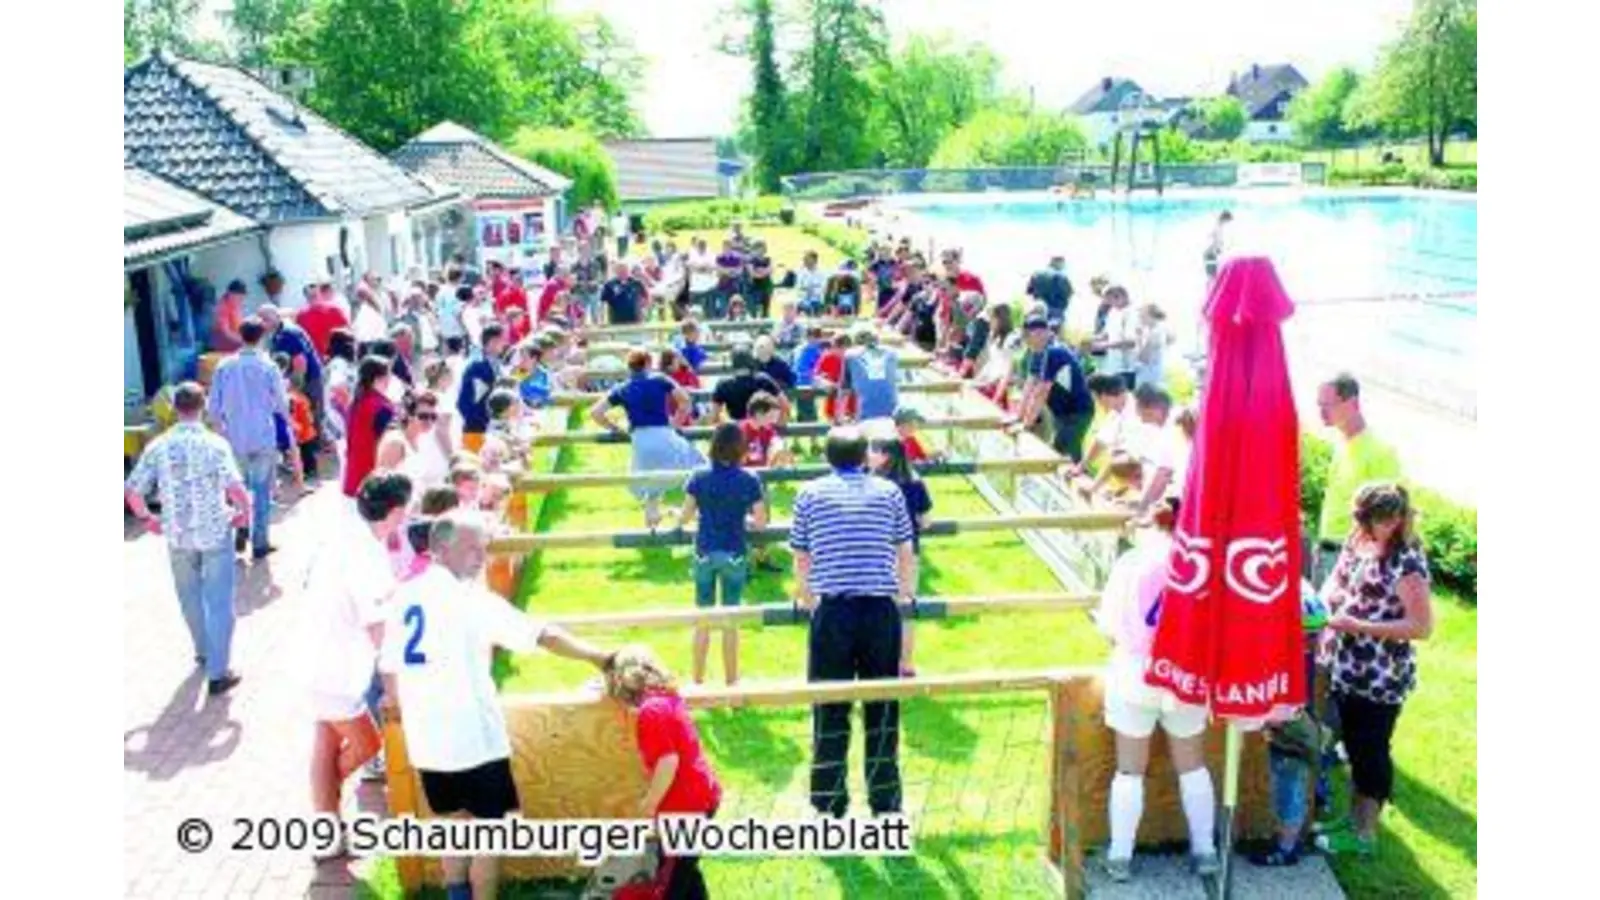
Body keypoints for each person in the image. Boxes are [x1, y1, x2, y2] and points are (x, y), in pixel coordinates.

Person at [379, 514, 617, 900]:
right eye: (471, 548)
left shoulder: (403, 595)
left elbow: (388, 666)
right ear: (439, 549)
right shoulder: (470, 600)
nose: (481, 557)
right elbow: (542, 634)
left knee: (454, 829)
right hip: (473, 740)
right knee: (491, 836)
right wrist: (600, 657)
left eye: (484, 548)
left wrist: (401, 707)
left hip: (427, 742)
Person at [791, 426, 916, 818]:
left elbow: (801, 555)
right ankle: (886, 803)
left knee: (830, 707)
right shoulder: (889, 492)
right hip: (880, 610)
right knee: (882, 708)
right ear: (864, 456)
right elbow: (905, 550)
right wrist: (905, 594)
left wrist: (807, 597)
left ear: (827, 457)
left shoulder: (809, 494)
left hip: (833, 612)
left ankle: (828, 803)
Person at [1095, 497, 1220, 882]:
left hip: (1136, 672)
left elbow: (1110, 626)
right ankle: (1205, 851)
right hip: (1186, 674)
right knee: (1192, 766)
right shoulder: (1205, 564)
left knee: (1129, 771)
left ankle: (1120, 857)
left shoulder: (1132, 561)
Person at [1315, 483, 1434, 859]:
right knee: (1352, 747)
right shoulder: (1360, 537)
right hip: (1346, 666)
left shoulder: (1406, 561)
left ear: (1396, 520)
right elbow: (1339, 578)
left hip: (1380, 677)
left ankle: (1365, 834)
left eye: (1374, 523)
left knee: (1370, 753)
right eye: (1361, 520)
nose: (1365, 528)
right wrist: (1328, 598)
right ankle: (1351, 820)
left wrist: (1359, 626)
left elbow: (1421, 627)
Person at [307, 471, 411, 858]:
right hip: (336, 665)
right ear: (397, 512)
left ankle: (326, 829)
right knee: (368, 743)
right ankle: (326, 821)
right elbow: (378, 630)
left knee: (327, 741)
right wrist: (395, 687)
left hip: (319, 655)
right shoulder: (366, 554)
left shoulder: (351, 538)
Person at [125, 382, 251, 697]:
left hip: (178, 534)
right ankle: (218, 672)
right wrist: (244, 512)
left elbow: (132, 491)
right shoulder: (215, 444)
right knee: (219, 600)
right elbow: (235, 487)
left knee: (189, 597)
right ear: (203, 406)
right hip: (214, 532)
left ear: (174, 409)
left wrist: (146, 519)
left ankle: (204, 651)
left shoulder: (158, 446)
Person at [605, 646, 722, 899]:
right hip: (702, 797)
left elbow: (668, 761)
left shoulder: (651, 711)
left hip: (687, 806)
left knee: (671, 884)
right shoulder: (668, 698)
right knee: (684, 870)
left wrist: (649, 804)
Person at [680, 424, 768, 686]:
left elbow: (685, 516)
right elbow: (761, 521)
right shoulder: (749, 479)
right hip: (734, 552)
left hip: (705, 551)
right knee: (731, 620)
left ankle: (697, 681)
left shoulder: (699, 476)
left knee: (703, 619)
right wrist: (747, 520)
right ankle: (732, 682)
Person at [1250, 576, 1329, 868]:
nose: (1309, 642)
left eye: (1312, 636)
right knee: (1291, 782)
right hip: (1293, 719)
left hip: (1290, 725)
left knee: (1289, 784)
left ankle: (1286, 848)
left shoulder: (1289, 653)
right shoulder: (1299, 589)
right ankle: (1289, 837)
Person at [590, 350, 703, 529]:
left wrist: (616, 429)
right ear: (649, 364)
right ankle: (701, 512)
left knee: (651, 490)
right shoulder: (660, 379)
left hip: (640, 440)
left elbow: (595, 412)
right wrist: (676, 423)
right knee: (700, 465)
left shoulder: (622, 388)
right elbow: (685, 401)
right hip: (663, 433)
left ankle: (651, 535)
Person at [208, 317, 289, 559]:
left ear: (240, 335)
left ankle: (240, 527)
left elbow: (213, 408)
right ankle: (260, 541)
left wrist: (221, 430)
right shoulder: (269, 366)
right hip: (263, 435)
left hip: (234, 437)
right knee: (262, 490)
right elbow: (282, 404)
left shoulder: (224, 366)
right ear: (262, 337)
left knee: (236, 488)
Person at [1315, 373, 1402, 588]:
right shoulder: (1341, 443)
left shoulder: (1380, 452)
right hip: (1325, 548)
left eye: (1328, 405)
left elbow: (1389, 513)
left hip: (1350, 558)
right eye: (1319, 404)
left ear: (1352, 403)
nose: (1321, 412)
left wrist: (1363, 562)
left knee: (1336, 620)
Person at [868, 437, 929, 677]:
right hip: (908, 552)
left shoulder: (871, 484)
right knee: (905, 607)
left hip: (878, 553)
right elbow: (926, 520)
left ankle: (878, 661)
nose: (868, 455)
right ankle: (906, 662)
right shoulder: (915, 481)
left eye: (873, 451)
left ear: (885, 456)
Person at [1013, 316, 1094, 461]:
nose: (1026, 340)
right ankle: (1080, 472)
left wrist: (1026, 425)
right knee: (1070, 452)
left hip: (1077, 411)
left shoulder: (1053, 352)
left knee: (1059, 453)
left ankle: (1082, 477)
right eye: (1027, 335)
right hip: (1062, 411)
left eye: (1028, 335)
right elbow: (1029, 386)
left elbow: (1042, 391)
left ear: (1044, 333)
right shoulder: (1036, 353)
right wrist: (1018, 417)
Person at [259, 303, 324, 427]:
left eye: (266, 319)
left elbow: (300, 363)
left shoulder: (288, 333)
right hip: (301, 379)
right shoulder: (275, 334)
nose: (263, 323)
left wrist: (294, 391)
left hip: (308, 381)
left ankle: (318, 445)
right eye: (261, 319)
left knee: (312, 420)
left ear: (277, 317)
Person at [1065, 374, 1140, 480]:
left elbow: (1125, 458)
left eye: (1096, 399)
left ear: (1104, 396)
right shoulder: (1118, 409)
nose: (1098, 404)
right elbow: (1101, 442)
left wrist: (1094, 487)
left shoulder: (1137, 414)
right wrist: (1081, 467)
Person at [342, 356, 397, 499]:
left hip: (354, 477)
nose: (390, 379)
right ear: (378, 378)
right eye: (388, 375)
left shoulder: (356, 402)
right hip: (374, 480)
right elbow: (389, 445)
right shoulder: (381, 407)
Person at [457, 323, 506, 453]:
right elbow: (467, 402)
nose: (505, 343)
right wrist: (479, 423)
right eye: (502, 340)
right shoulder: (477, 366)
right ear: (493, 342)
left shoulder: (497, 364)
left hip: (492, 428)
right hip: (477, 430)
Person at [710, 347, 786, 424]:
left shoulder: (724, 384)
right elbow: (784, 404)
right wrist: (777, 425)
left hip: (737, 429)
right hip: (761, 427)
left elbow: (714, 416)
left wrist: (728, 429)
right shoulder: (763, 380)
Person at [844, 328, 900, 429]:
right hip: (892, 410)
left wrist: (838, 418)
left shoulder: (850, 355)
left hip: (865, 412)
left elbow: (844, 388)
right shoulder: (891, 353)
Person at [1091, 285, 1138, 392]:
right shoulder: (1113, 311)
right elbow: (1107, 333)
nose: (1109, 304)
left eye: (1111, 301)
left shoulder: (1132, 313)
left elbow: (1131, 341)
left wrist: (1105, 345)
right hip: (1111, 364)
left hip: (1125, 367)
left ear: (1120, 297)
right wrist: (1092, 340)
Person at [296, 281, 350, 359]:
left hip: (313, 359)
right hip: (334, 358)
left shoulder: (300, 315)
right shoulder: (334, 309)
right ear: (319, 292)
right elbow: (348, 333)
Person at [813, 333, 857, 425]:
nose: (833, 350)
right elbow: (816, 377)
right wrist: (827, 383)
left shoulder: (855, 359)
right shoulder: (828, 357)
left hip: (854, 408)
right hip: (833, 408)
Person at [738, 394, 792, 469]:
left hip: (762, 474)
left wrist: (778, 450)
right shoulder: (740, 431)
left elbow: (776, 442)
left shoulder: (767, 429)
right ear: (759, 414)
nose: (774, 421)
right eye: (771, 417)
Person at [1025, 255, 1075, 329]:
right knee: (1055, 336)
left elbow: (1029, 291)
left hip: (1038, 311)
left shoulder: (1037, 274)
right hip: (1056, 312)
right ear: (1059, 262)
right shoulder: (1062, 277)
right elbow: (1069, 293)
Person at [1132, 303, 1171, 390]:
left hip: (1150, 374)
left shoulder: (1156, 332)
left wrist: (1138, 339)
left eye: (1142, 315)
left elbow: (1144, 357)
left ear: (1150, 316)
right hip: (1152, 372)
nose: (1140, 318)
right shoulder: (1152, 330)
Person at [600, 259, 646, 326]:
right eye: (620, 270)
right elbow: (603, 302)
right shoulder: (609, 284)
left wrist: (642, 312)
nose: (623, 272)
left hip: (635, 320)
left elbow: (645, 297)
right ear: (616, 271)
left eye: (625, 270)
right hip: (616, 321)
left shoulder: (637, 283)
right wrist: (602, 319)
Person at [210, 279, 247, 352]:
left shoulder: (236, 304)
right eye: (239, 297)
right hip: (223, 342)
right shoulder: (222, 308)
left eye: (242, 297)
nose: (241, 300)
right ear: (230, 294)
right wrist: (243, 341)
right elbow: (226, 333)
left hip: (235, 338)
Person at [686, 238, 719, 316]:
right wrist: (699, 268)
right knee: (693, 301)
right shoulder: (693, 254)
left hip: (708, 283)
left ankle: (710, 316)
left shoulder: (711, 254)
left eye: (702, 246)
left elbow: (713, 267)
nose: (701, 248)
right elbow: (690, 266)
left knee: (710, 299)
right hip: (696, 284)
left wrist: (703, 268)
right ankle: (693, 316)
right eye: (699, 246)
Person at [746, 240, 774, 319]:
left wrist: (760, 270)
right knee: (755, 308)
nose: (761, 250)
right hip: (755, 287)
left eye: (762, 248)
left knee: (766, 308)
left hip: (766, 286)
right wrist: (764, 272)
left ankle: (765, 324)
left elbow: (771, 270)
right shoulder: (751, 260)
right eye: (758, 248)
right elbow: (753, 274)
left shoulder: (768, 259)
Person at [795, 250, 828, 315]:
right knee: (796, 305)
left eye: (806, 259)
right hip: (803, 299)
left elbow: (824, 288)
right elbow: (798, 287)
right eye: (804, 259)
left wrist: (813, 291)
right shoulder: (801, 272)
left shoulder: (822, 273)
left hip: (817, 300)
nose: (804, 261)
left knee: (814, 305)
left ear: (814, 260)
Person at [1205, 210, 1233, 282]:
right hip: (1210, 253)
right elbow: (1213, 240)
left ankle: (1210, 289)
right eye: (1228, 221)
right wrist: (1217, 249)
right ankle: (1210, 291)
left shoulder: (1218, 225)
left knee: (1212, 276)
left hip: (1211, 253)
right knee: (1212, 276)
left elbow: (1217, 241)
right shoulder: (1217, 226)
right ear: (1225, 219)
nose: (1228, 223)